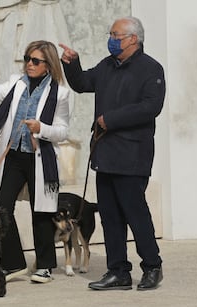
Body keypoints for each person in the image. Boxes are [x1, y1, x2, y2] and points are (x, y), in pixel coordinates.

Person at [59, 16, 165, 291]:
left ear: (133, 38)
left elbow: (150, 107)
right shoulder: (107, 66)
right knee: (109, 217)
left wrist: (111, 119)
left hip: (132, 156)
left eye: (115, 35)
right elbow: (82, 83)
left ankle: (152, 267)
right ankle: (118, 271)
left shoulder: (150, 69)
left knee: (135, 214)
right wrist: (71, 63)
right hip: (105, 156)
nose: (111, 38)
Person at [0, 40, 70, 283]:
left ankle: (44, 266)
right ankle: (13, 262)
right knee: (2, 206)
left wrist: (42, 128)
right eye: (27, 59)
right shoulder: (15, 84)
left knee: (41, 211)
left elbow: (63, 131)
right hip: (13, 156)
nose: (29, 64)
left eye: (36, 61)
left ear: (48, 65)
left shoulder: (60, 93)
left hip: (40, 158)